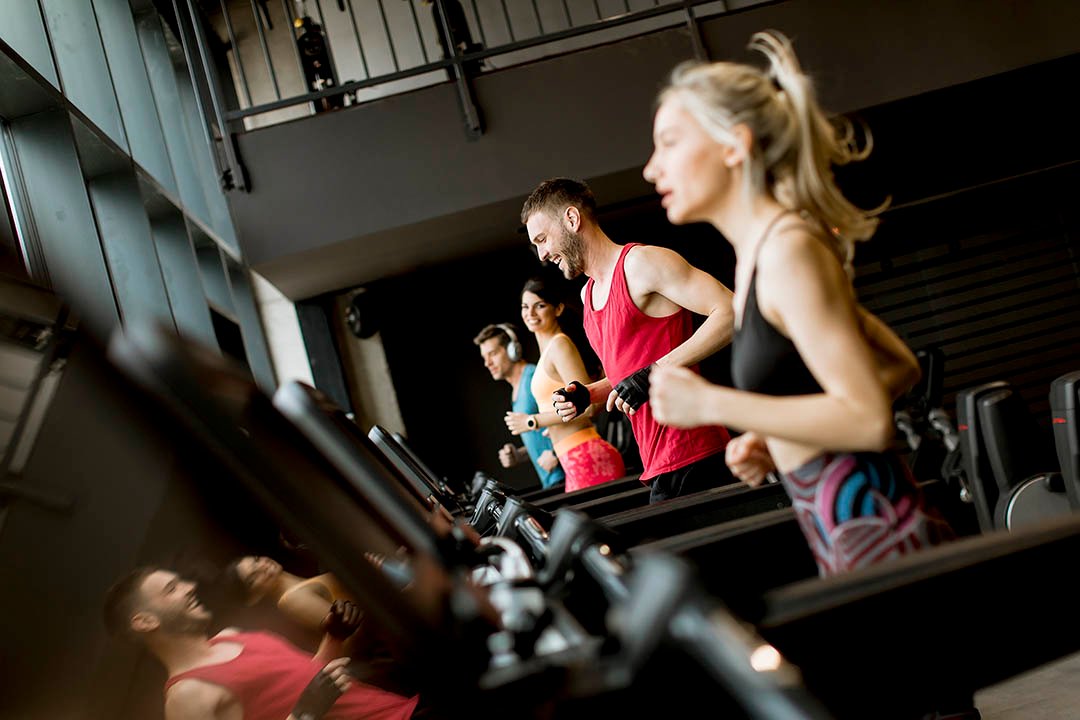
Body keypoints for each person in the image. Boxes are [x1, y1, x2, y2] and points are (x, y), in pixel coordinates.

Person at [641, 30, 953, 577]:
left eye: (669, 142)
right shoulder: (760, 255)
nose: (651, 168)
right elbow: (897, 367)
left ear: (734, 145)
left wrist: (714, 405)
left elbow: (866, 418)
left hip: (884, 540)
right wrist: (777, 432)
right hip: (849, 538)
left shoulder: (789, 252)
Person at [522, 178, 737, 503]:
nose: (542, 254)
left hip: (697, 453)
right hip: (655, 463)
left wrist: (652, 373)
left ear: (572, 219)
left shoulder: (641, 264)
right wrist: (589, 394)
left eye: (542, 239)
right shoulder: (588, 294)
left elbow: (731, 312)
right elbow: (632, 373)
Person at [102, 565, 419, 720]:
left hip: (406, 710)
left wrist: (335, 636)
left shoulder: (231, 635)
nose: (187, 588)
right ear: (145, 621)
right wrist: (304, 715)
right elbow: (306, 704)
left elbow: (307, 681)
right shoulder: (185, 696)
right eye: (171, 589)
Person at [507, 275, 625, 492]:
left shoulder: (559, 345)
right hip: (573, 458)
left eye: (539, 306)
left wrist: (533, 421)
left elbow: (587, 405)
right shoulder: (547, 351)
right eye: (525, 307)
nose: (530, 314)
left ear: (558, 309)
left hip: (586, 455)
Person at [474, 323, 565, 489]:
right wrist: (519, 455)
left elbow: (570, 415)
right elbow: (541, 437)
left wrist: (555, 453)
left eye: (492, 354)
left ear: (512, 350)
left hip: (566, 474)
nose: (487, 363)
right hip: (551, 481)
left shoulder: (532, 378)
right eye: (484, 357)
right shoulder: (517, 389)